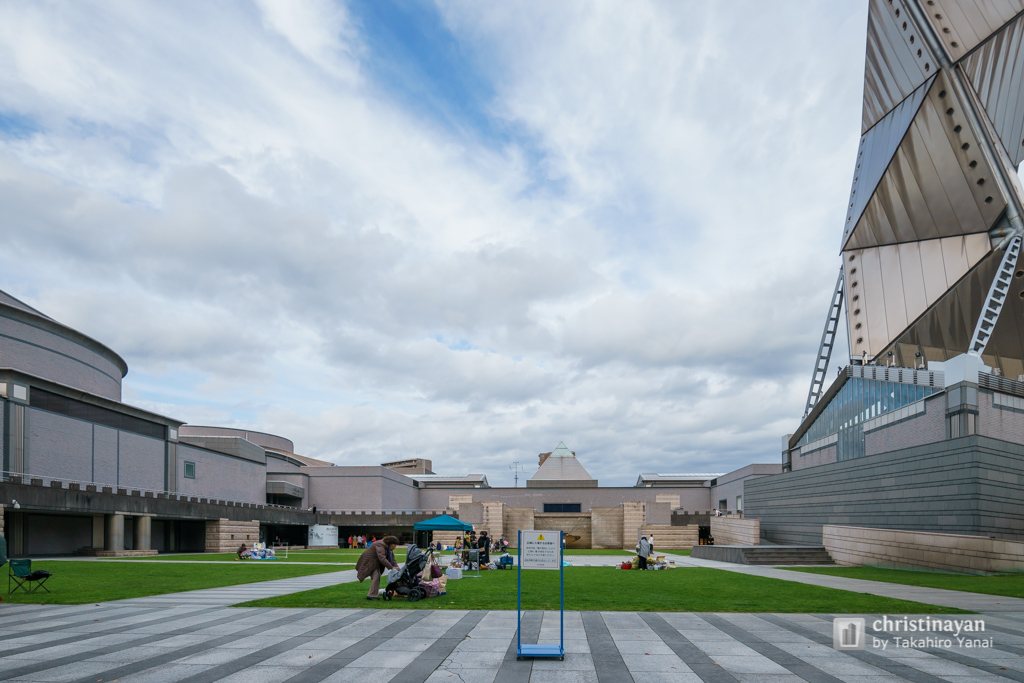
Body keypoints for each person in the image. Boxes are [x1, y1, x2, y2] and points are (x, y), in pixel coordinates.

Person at [356, 535, 399, 600]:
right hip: (369, 563)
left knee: (376, 576)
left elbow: (392, 558)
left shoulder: (387, 547)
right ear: (389, 543)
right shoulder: (380, 545)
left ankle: (373, 594)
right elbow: (382, 558)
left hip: (374, 563)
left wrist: (397, 567)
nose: (394, 547)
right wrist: (392, 567)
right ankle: (372, 595)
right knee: (376, 576)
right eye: (393, 545)